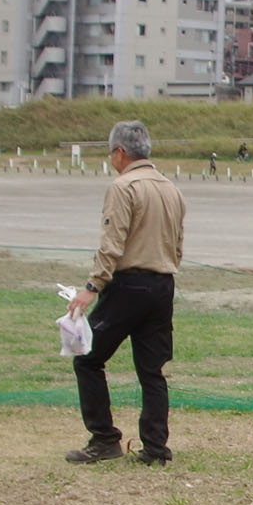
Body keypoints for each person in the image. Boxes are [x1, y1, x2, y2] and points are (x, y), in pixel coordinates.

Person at [67, 120, 185, 466]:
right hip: (163, 284)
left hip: (128, 284)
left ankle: (104, 437)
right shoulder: (171, 188)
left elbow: (112, 243)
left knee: (88, 359)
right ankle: (155, 447)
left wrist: (92, 286)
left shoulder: (123, 187)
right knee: (152, 370)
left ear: (119, 153)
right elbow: (178, 245)